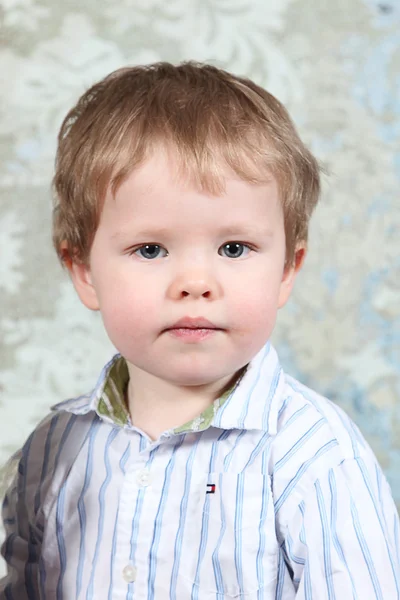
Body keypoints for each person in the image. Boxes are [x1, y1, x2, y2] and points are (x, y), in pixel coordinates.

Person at [1, 61, 399, 600]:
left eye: (234, 248)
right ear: (84, 273)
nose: (195, 283)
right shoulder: (53, 451)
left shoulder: (314, 456)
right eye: (150, 249)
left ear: (287, 270)